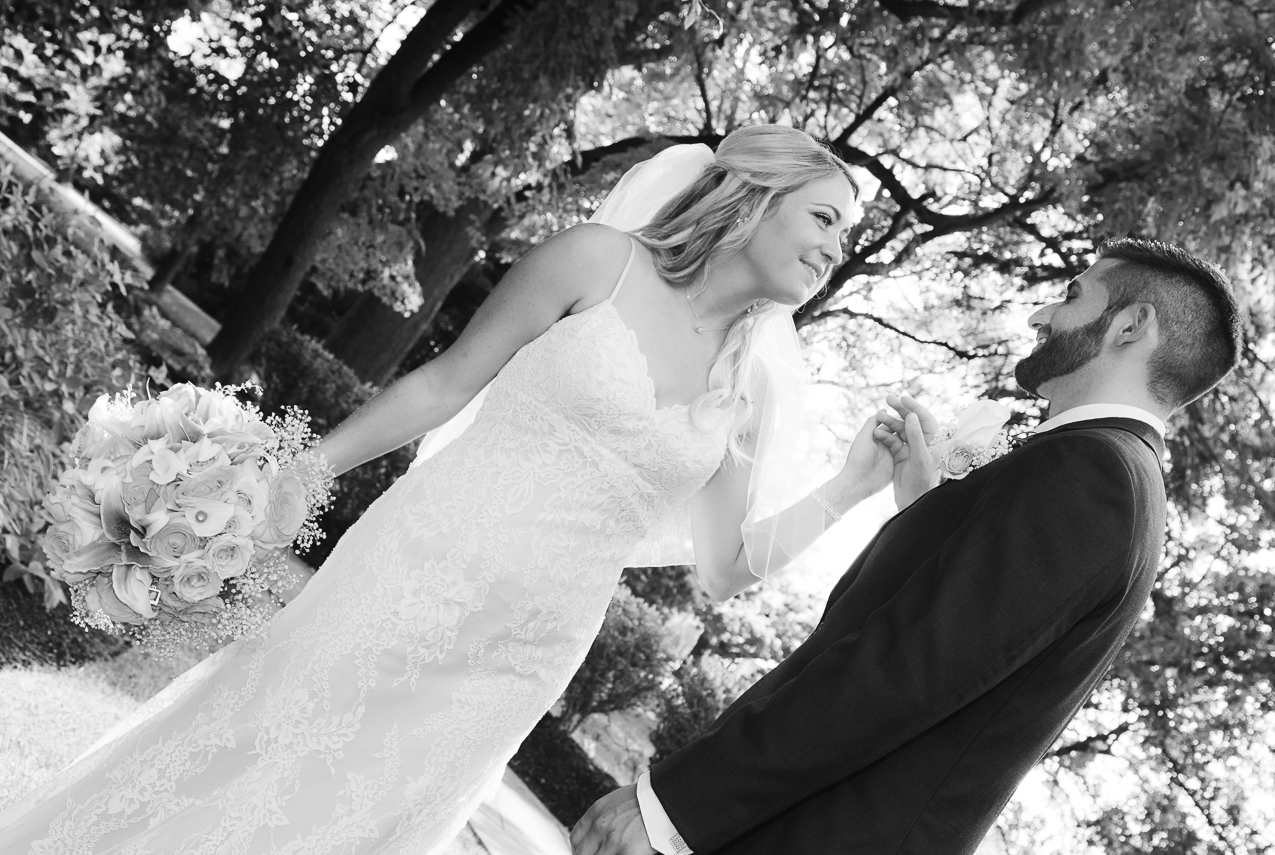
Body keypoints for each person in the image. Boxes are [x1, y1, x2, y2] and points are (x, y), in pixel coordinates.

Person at [0, 127, 904, 854]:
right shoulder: (595, 259)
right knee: (261, 750)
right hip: (420, 564)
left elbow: (726, 567)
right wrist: (297, 473)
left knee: (364, 821)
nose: (835, 246)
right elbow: (443, 384)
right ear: (756, 197)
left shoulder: (744, 385)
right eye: (825, 219)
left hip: (525, 651)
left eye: (844, 234)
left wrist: (854, 482)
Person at [570, 237, 1244, 855]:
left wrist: (676, 806)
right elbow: (959, 645)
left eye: (1071, 295)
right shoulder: (1109, 475)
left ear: (1130, 327)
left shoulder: (1091, 475)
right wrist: (926, 506)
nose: (1041, 313)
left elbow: (897, 672)